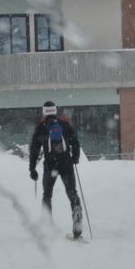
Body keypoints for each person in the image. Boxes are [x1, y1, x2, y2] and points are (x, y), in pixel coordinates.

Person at [28, 100, 83, 238]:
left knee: (47, 195)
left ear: (44, 112)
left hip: (50, 165)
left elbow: (34, 150)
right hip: (66, 164)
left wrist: (32, 168)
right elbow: (76, 142)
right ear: (55, 111)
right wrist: (75, 158)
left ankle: (47, 226)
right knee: (72, 192)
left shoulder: (41, 128)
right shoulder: (65, 125)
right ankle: (76, 213)